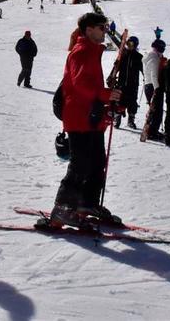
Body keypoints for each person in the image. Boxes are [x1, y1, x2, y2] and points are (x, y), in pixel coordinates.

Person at [48, 12, 121, 228]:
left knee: (98, 161)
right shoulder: (80, 52)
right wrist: (105, 95)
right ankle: (62, 208)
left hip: (91, 116)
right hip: (78, 116)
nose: (105, 31)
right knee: (80, 164)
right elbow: (80, 86)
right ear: (89, 30)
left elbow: (92, 88)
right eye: (102, 27)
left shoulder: (92, 51)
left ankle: (86, 203)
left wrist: (108, 101)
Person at [113, 36, 143, 129]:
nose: (129, 46)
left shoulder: (138, 57)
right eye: (128, 43)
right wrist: (113, 74)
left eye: (132, 44)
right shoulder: (123, 55)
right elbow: (116, 67)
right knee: (119, 101)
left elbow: (143, 69)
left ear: (135, 45)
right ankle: (117, 119)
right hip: (122, 83)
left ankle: (131, 120)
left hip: (133, 84)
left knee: (132, 102)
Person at [142, 39, 166, 141]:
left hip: (149, 85)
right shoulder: (154, 58)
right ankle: (152, 132)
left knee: (154, 110)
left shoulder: (151, 56)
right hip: (153, 86)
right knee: (157, 110)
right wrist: (157, 88)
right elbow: (154, 74)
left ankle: (152, 130)